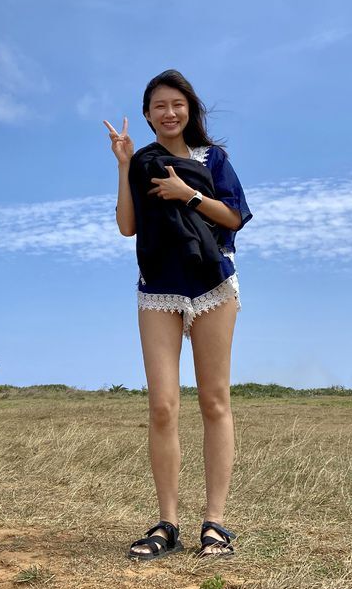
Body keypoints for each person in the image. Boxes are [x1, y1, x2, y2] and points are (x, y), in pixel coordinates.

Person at [103, 69, 252, 561]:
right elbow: (127, 226)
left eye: (177, 103)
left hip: (213, 285)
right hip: (159, 289)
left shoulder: (215, 159)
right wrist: (124, 166)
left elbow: (234, 217)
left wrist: (186, 194)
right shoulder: (143, 162)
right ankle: (167, 523)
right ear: (147, 116)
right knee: (163, 406)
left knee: (214, 401)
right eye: (159, 106)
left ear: (190, 108)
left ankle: (216, 523)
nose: (169, 112)